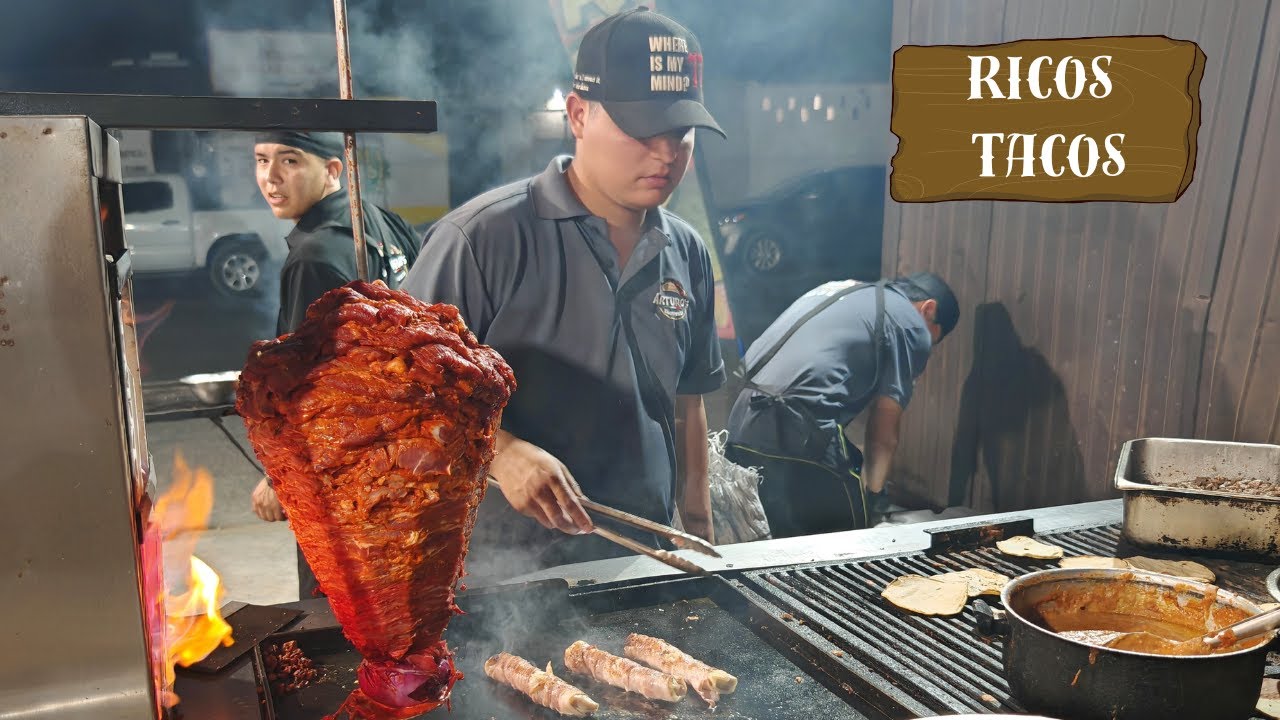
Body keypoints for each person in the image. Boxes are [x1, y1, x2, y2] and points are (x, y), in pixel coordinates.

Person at [400, 7, 726, 579]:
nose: (666, 154)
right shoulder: (480, 240)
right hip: (503, 573)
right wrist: (501, 453)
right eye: (642, 131)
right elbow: (400, 398)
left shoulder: (687, 251)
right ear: (578, 115)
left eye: (680, 133)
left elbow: (687, 403)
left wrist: (697, 525)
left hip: (642, 557)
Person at [247, 130, 421, 598]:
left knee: (338, 611)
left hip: (343, 477)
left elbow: (305, 384)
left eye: (289, 161)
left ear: (331, 170)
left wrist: (279, 477)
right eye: (261, 161)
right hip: (406, 461)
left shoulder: (314, 256)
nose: (271, 177)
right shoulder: (384, 223)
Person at [724, 272, 959, 538]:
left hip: (741, 419)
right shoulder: (910, 324)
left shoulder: (843, 289)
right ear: (929, 309)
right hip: (796, 427)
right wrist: (874, 497)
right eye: (933, 339)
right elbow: (883, 434)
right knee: (850, 539)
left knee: (773, 540)